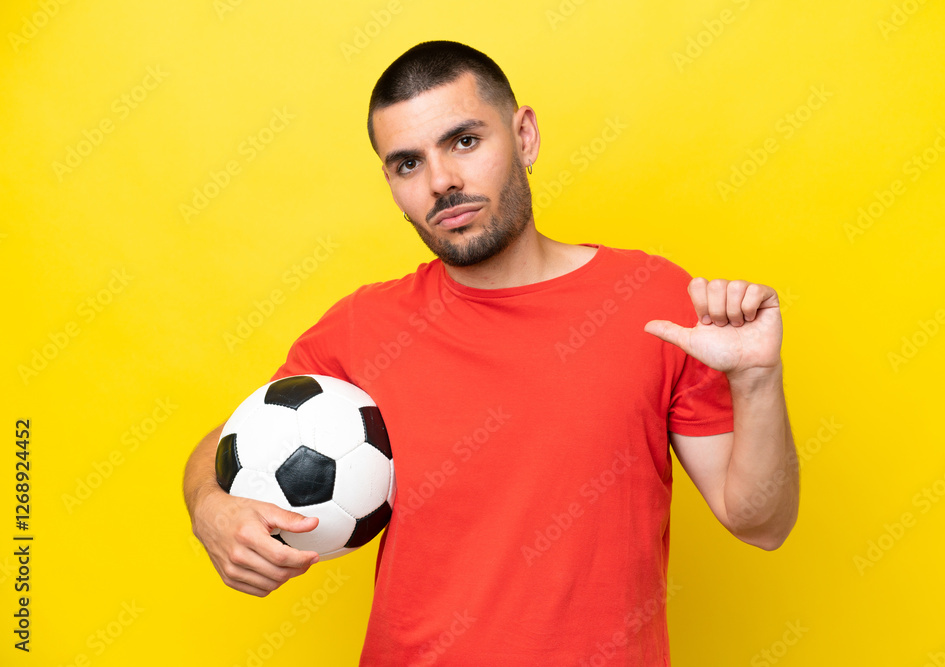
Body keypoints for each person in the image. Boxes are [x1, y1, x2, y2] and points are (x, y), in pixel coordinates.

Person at [183, 40, 799, 665]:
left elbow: (762, 523)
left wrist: (755, 382)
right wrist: (210, 506)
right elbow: (232, 439)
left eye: (465, 141)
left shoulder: (657, 302)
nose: (442, 181)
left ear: (524, 135)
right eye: (407, 164)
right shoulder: (363, 328)